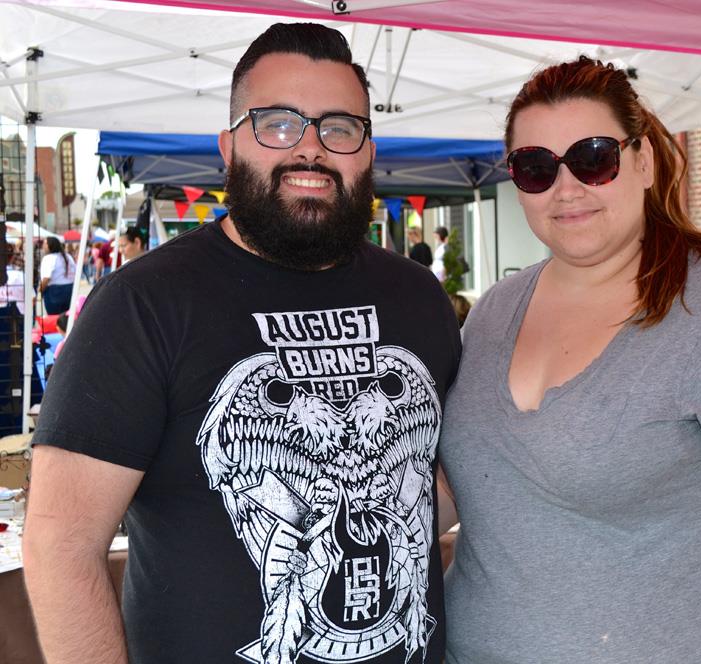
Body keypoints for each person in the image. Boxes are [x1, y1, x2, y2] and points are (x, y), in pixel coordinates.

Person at [24, 23, 459, 664]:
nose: (310, 149)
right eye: (278, 123)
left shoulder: (419, 298)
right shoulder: (144, 304)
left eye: (339, 127)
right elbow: (61, 545)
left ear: (367, 152)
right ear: (229, 147)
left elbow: (437, 486)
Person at [438, 56, 701, 663]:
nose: (567, 188)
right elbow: (475, 481)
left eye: (593, 158)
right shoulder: (492, 312)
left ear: (642, 160)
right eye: (536, 168)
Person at [38, 237, 76, 315]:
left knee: (54, 318)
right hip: (69, 289)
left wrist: (40, 291)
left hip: (54, 291)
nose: (43, 246)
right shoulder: (68, 256)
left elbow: (46, 278)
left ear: (50, 245)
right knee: (66, 318)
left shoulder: (48, 258)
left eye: (45, 243)